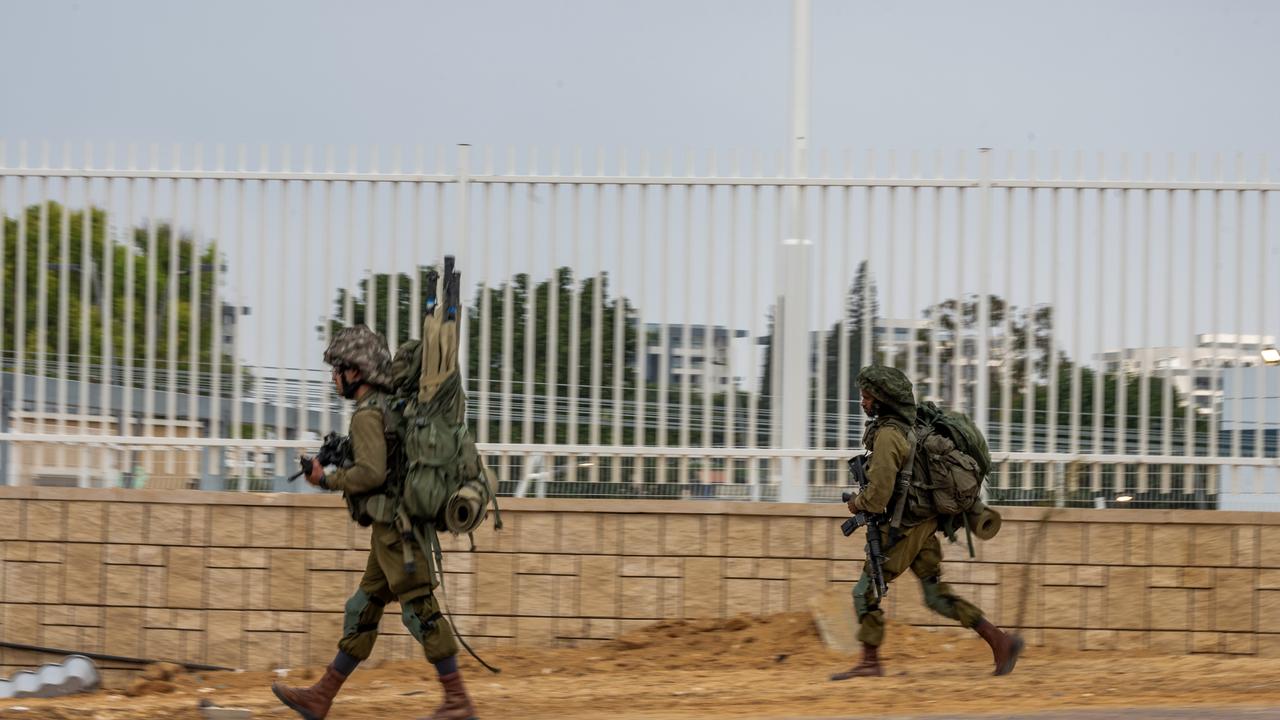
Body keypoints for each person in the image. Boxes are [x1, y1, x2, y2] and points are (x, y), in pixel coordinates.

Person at [272, 325, 477, 720]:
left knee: (421, 610)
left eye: (339, 369)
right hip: (392, 531)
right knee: (363, 608)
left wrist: (325, 479)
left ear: (357, 372)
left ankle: (457, 700)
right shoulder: (390, 406)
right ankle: (322, 696)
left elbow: (371, 474)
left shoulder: (368, 415)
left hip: (397, 533)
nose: (334, 377)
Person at [831, 365, 1023, 681]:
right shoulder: (906, 427)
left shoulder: (889, 436)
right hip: (922, 525)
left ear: (882, 399)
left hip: (903, 530)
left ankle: (870, 661)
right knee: (935, 595)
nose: (863, 402)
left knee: (864, 592)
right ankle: (1000, 641)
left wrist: (856, 503)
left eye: (866, 396)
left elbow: (877, 498)